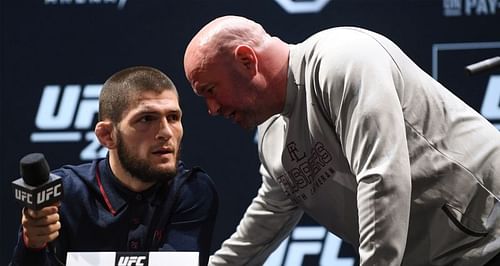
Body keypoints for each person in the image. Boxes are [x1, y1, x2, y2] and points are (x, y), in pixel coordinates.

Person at [183, 15, 500, 266]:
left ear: (246, 60)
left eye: (210, 90)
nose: (211, 109)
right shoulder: (271, 134)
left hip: (489, 238)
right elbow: (267, 217)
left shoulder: (340, 59)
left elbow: (382, 175)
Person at [10, 66, 218, 266]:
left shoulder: (192, 190)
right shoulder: (65, 194)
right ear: (107, 135)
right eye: (146, 119)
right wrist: (32, 245)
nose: (166, 132)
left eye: (173, 117)